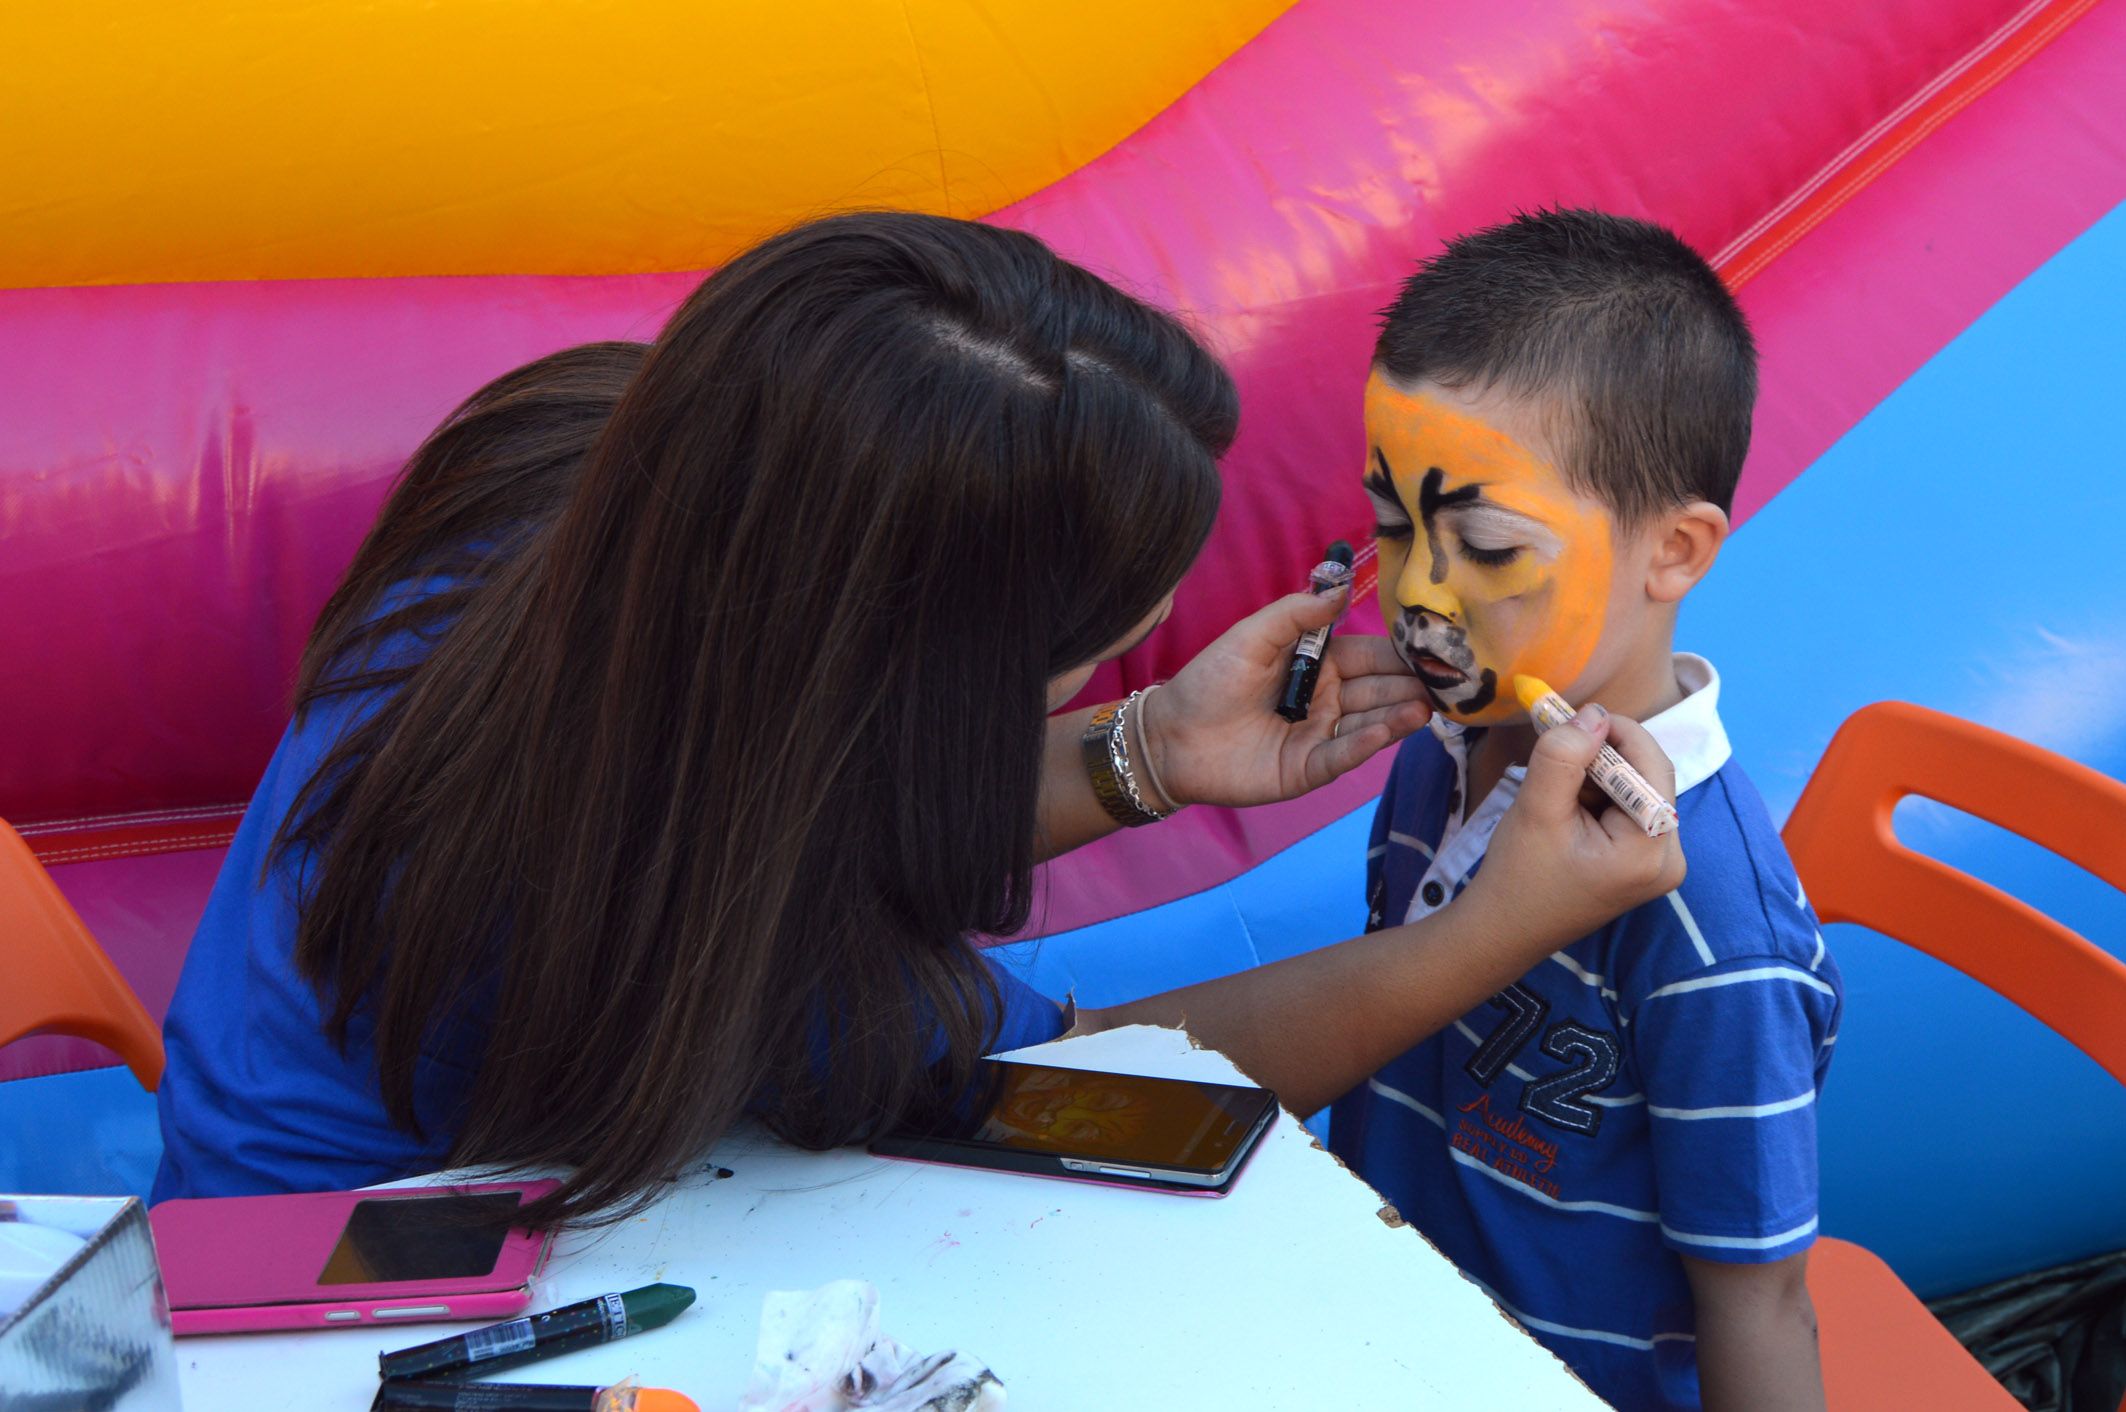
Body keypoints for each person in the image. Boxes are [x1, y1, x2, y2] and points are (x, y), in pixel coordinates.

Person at [153, 211, 1682, 1235]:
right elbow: (1095, 1092)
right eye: (1080, 660)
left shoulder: (569, 478)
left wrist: (1143, 749)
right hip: (327, 1314)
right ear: (915, 680)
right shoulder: (678, 933)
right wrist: (1489, 932)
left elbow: (789, 784)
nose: (1111, 670)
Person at [1305, 210, 1843, 1412]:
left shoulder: (1712, 933)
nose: (1415, 592)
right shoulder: (1437, 753)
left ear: (1674, 551)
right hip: (1355, 1322)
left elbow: (1756, 1301)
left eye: (1484, 546)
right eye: (1393, 525)